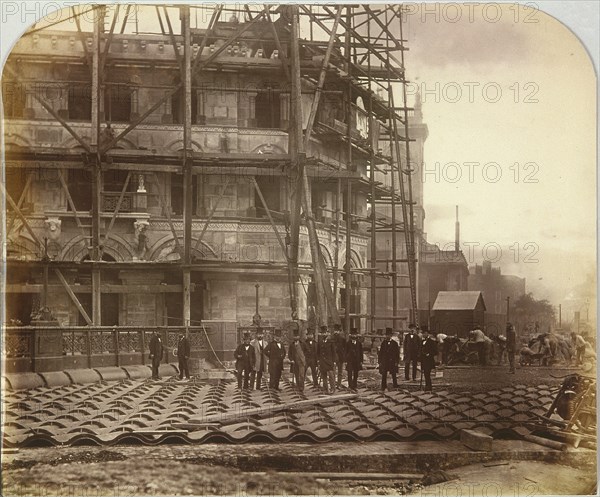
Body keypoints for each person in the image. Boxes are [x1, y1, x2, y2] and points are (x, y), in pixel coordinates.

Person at [318, 325, 336, 394]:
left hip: (329, 362)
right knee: (324, 376)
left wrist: (334, 361)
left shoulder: (331, 342)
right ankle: (325, 389)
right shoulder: (320, 342)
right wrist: (318, 360)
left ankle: (332, 388)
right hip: (322, 361)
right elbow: (318, 352)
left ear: (327, 333)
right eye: (323, 333)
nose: (324, 334)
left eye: (325, 333)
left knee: (331, 375)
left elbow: (334, 352)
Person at [419, 326, 437, 391]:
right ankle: (428, 386)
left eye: (425, 333)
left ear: (427, 333)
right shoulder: (422, 341)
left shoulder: (432, 342)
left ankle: (429, 386)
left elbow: (435, 351)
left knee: (427, 373)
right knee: (425, 374)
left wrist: (429, 354)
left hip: (429, 360)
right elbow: (420, 350)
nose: (424, 334)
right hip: (424, 360)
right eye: (423, 333)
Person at [332, 323, 346, 388]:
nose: (336, 332)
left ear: (339, 331)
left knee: (340, 372)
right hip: (333, 358)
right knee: (333, 372)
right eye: (335, 330)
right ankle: (333, 384)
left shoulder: (342, 339)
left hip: (340, 357)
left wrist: (344, 357)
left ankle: (339, 384)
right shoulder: (331, 338)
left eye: (337, 331)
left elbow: (345, 349)